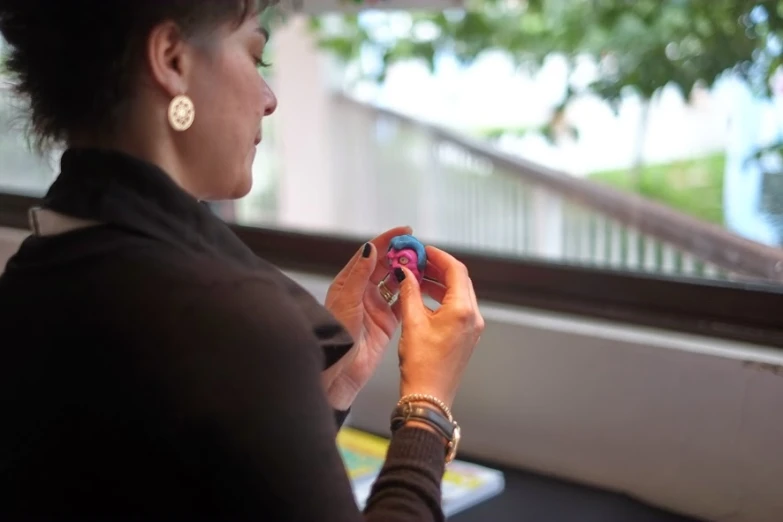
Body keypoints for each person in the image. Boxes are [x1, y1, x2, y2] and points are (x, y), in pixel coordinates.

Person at [0, 1, 484, 520]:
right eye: (257, 57)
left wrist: (327, 385)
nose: (269, 99)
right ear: (172, 60)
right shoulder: (228, 318)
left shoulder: (32, 274)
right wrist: (427, 410)